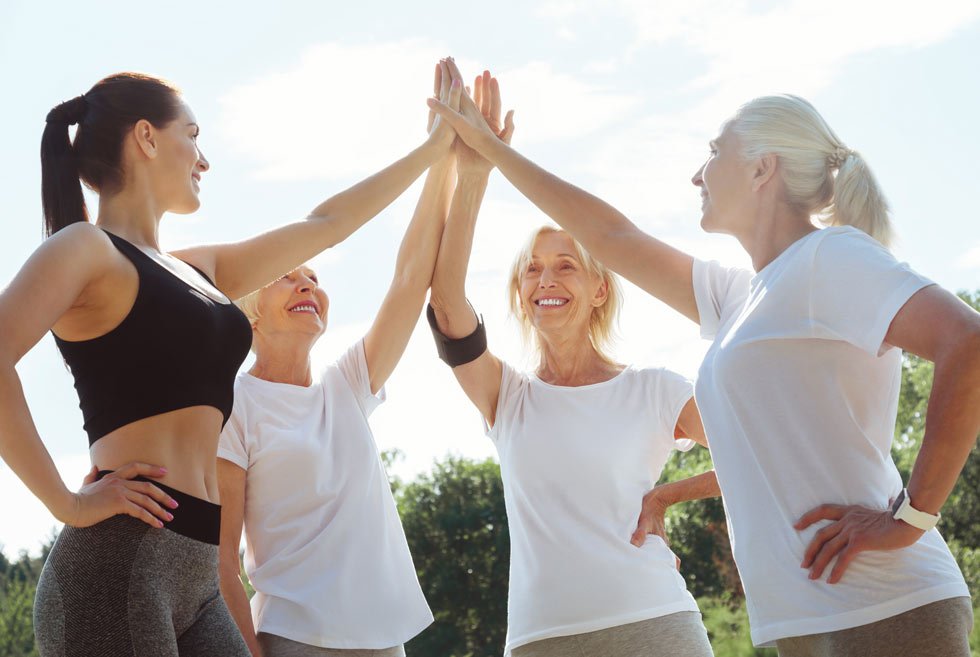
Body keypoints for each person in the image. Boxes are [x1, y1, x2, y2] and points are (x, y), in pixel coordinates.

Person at [428, 65, 979, 656]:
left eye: (715, 152)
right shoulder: (742, 297)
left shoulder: (830, 258)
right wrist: (486, 154)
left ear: (762, 168)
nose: (698, 173)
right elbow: (611, 237)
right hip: (808, 614)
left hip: (882, 604)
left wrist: (912, 518)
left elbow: (968, 344)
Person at [0, 64, 457, 655]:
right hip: (117, 564)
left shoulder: (199, 271)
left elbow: (329, 223)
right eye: (192, 135)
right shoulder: (85, 249)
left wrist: (435, 148)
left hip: (198, 573)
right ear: (146, 137)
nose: (203, 159)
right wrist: (64, 502)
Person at [427, 70, 720, 657]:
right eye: (532, 269)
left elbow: (759, 455)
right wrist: (476, 172)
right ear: (519, 292)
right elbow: (447, 301)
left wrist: (667, 496)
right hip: (542, 637)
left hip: (655, 622)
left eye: (566, 265)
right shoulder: (506, 396)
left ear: (599, 290)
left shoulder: (656, 391)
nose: (546, 279)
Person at [215, 61, 462, 657]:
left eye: (314, 276)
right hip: (293, 639)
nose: (307, 285)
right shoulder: (232, 406)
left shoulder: (346, 383)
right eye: (285, 277)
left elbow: (410, 280)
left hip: (384, 641)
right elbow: (220, 558)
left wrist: (446, 155)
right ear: (249, 312)